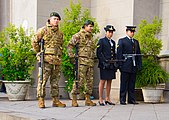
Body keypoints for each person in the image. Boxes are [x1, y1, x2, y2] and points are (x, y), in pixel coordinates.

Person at [32, 12, 66, 108]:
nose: (56, 21)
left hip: (56, 61)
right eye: (54, 19)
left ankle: (55, 100)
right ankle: (41, 99)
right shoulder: (43, 30)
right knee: (42, 80)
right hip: (46, 60)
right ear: (50, 19)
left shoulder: (60, 33)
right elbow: (34, 41)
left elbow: (60, 46)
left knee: (55, 82)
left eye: (57, 19)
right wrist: (39, 52)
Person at [67, 20, 96, 107]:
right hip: (81, 62)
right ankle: (74, 99)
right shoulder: (78, 35)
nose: (91, 28)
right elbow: (70, 45)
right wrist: (72, 57)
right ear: (85, 26)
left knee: (89, 82)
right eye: (90, 26)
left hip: (90, 62)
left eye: (92, 26)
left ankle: (87, 99)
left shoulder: (91, 37)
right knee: (79, 81)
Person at [117, 26, 142, 105]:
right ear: (127, 32)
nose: (132, 33)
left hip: (133, 65)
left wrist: (139, 64)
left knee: (132, 83)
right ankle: (122, 99)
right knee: (124, 83)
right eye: (131, 31)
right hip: (125, 64)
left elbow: (138, 54)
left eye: (133, 32)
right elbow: (119, 53)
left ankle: (131, 99)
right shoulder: (122, 41)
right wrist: (120, 65)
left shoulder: (135, 42)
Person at [96, 25, 116, 106]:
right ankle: (100, 98)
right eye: (109, 32)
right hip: (104, 64)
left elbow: (113, 53)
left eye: (112, 32)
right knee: (102, 81)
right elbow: (98, 53)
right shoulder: (101, 41)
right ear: (106, 32)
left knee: (110, 80)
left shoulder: (113, 42)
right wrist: (103, 61)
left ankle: (107, 98)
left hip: (111, 64)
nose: (110, 34)